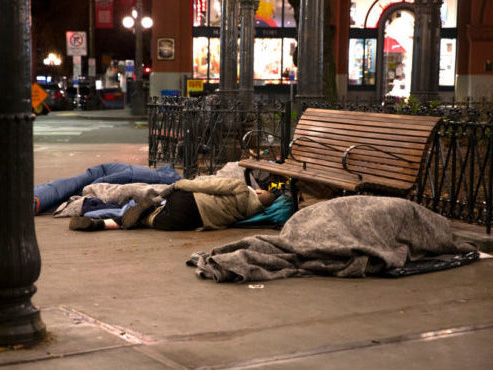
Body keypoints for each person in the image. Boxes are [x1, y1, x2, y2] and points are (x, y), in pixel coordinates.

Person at [69, 177, 276, 232]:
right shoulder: (247, 214)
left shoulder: (241, 187)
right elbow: (223, 222)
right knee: (145, 220)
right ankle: (103, 225)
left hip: (189, 201)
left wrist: (180, 184)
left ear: (257, 191)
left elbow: (210, 186)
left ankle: (152, 204)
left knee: (158, 201)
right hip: (188, 221)